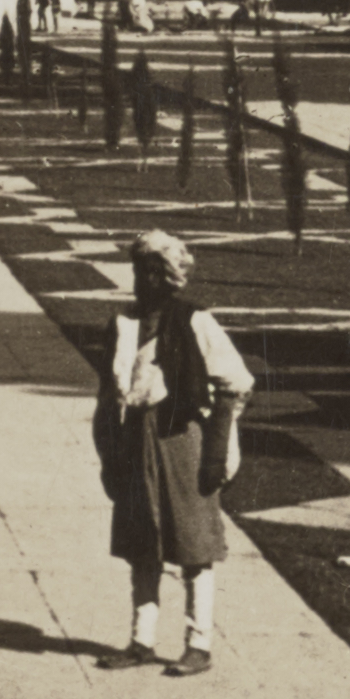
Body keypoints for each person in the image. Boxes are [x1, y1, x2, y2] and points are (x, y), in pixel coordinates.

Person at [97, 228, 253, 674]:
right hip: (135, 441)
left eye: (152, 271)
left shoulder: (194, 321)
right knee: (142, 541)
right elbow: (108, 396)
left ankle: (198, 645)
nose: (143, 280)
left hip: (183, 441)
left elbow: (235, 383)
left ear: (168, 275)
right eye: (139, 270)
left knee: (193, 545)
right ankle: (140, 641)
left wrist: (216, 452)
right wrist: (110, 456)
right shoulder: (123, 325)